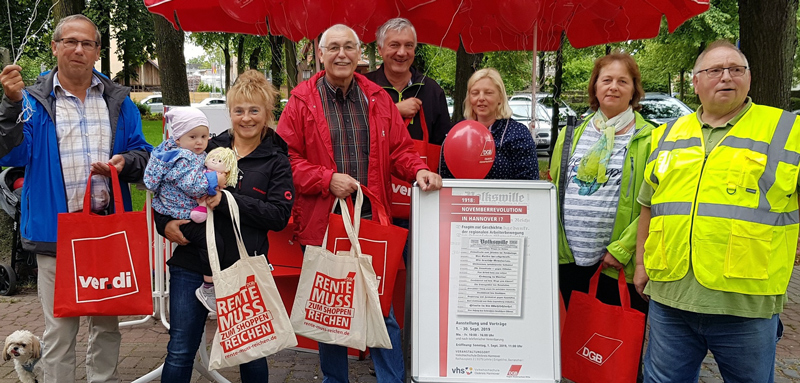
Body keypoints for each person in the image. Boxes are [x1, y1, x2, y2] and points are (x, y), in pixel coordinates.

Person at [276, 24, 442, 383]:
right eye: (333, 47)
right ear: (320, 55)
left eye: (348, 47)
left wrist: (419, 171)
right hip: (324, 224)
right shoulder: (302, 100)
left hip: (370, 221)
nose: (341, 54)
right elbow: (285, 160)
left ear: (359, 54)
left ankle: (391, 380)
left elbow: (400, 150)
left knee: (382, 312)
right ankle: (335, 379)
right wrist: (325, 179)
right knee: (329, 312)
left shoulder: (377, 98)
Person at [0, 14, 152, 383]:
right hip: (55, 233)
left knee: (106, 327)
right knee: (60, 331)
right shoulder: (31, 101)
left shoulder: (118, 100)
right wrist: (8, 105)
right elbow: (8, 155)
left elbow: (143, 153)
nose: (78, 49)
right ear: (55, 47)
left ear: (98, 51)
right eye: (70, 41)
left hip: (106, 233)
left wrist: (125, 162)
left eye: (87, 43)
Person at [634, 40, 797, 382]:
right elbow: (649, 206)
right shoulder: (666, 135)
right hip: (670, 297)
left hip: (745, 304)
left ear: (749, 79)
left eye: (736, 69)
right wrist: (639, 265)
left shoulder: (786, 130)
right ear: (695, 82)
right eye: (714, 70)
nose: (726, 77)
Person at [156, 70, 294, 382]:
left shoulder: (276, 159)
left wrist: (229, 200)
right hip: (192, 261)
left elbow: (278, 215)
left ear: (267, 113)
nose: (246, 118)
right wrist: (163, 223)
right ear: (229, 112)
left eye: (254, 110)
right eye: (239, 110)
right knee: (180, 349)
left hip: (245, 266)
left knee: (252, 351)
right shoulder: (205, 147)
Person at [551, 52, 654, 313]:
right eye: (606, 80)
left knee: (609, 344)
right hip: (567, 258)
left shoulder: (650, 138)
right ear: (595, 87)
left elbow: (655, 200)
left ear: (634, 91)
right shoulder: (570, 133)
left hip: (616, 263)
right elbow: (553, 189)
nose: (613, 87)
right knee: (569, 341)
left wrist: (622, 249)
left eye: (623, 81)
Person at [143, 107, 234, 313]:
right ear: (177, 138)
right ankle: (209, 287)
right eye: (192, 136)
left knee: (213, 241)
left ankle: (211, 283)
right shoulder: (182, 157)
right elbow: (191, 184)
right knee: (212, 243)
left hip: (185, 211)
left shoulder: (186, 153)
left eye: (204, 136)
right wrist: (215, 179)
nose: (200, 142)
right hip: (180, 215)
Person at [364, 17, 451, 147]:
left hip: (421, 166)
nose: (402, 52)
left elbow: (443, 145)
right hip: (375, 166)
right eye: (394, 45)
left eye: (409, 45)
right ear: (380, 49)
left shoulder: (432, 90)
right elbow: (354, 132)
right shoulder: (363, 86)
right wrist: (395, 110)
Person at [440, 68, 539, 180]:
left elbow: (530, 181)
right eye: (475, 93)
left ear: (500, 98)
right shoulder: (458, 133)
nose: (481, 98)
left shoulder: (518, 134)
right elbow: (445, 177)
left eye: (488, 93)